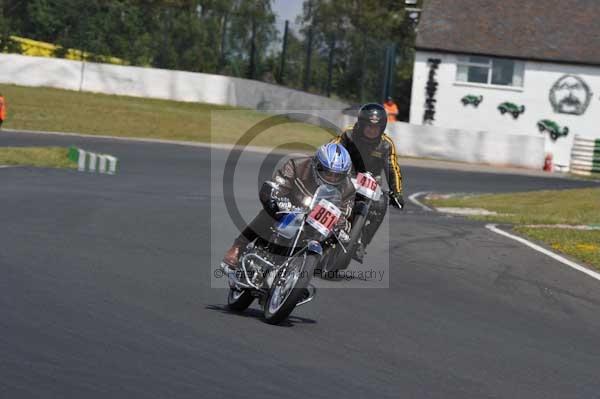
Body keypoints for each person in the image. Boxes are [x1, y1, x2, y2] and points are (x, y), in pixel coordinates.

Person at [222, 143, 355, 269]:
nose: (332, 178)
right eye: (328, 173)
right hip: (289, 207)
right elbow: (277, 186)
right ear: (317, 166)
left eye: (337, 175)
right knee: (267, 214)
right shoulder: (297, 166)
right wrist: (277, 198)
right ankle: (239, 246)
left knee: (331, 241)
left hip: (317, 224)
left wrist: (341, 228)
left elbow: (344, 214)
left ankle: (300, 276)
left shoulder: (348, 189)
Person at [330, 103, 404, 262]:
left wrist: (396, 192)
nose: (372, 130)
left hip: (371, 182)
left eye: (376, 127)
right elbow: (331, 148)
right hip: (345, 175)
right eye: (369, 126)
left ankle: (362, 243)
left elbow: (392, 168)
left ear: (382, 127)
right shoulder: (349, 134)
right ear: (362, 124)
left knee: (382, 204)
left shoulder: (386, 144)